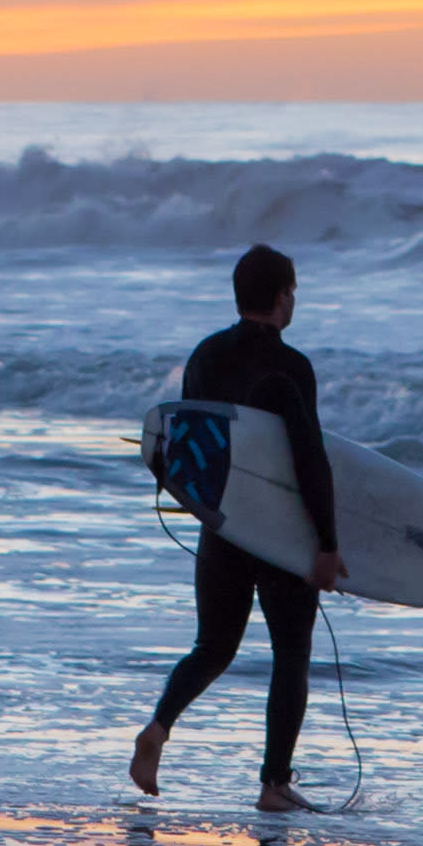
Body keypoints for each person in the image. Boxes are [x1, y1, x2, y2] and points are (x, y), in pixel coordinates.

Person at [131, 244, 346, 813]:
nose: (294, 301)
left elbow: (192, 445)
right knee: (290, 654)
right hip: (278, 532)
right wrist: (326, 544)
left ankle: (158, 726)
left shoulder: (204, 356)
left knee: (214, 646)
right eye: (292, 292)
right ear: (281, 297)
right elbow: (308, 459)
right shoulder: (291, 367)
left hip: (223, 525)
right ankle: (274, 784)